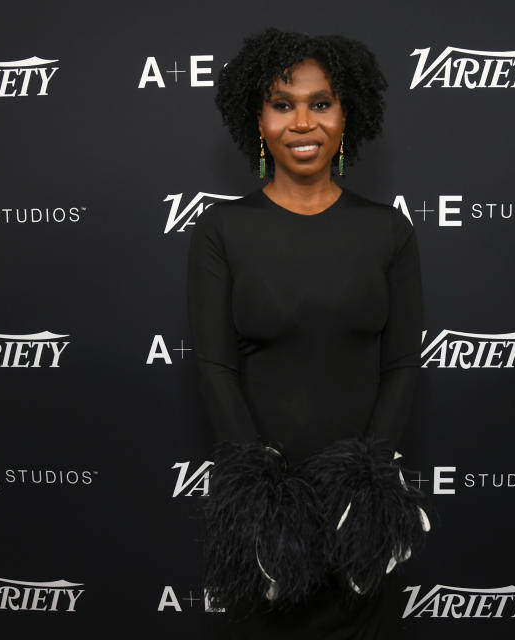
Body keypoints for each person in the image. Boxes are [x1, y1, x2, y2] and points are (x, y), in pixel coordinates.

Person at [186, 28, 429, 639]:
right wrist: (261, 496)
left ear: (347, 115)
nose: (303, 123)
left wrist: (366, 484)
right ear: (258, 118)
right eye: (282, 103)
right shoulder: (223, 230)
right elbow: (214, 365)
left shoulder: (389, 232)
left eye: (321, 103)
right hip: (264, 522)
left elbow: (401, 362)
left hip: (360, 519)